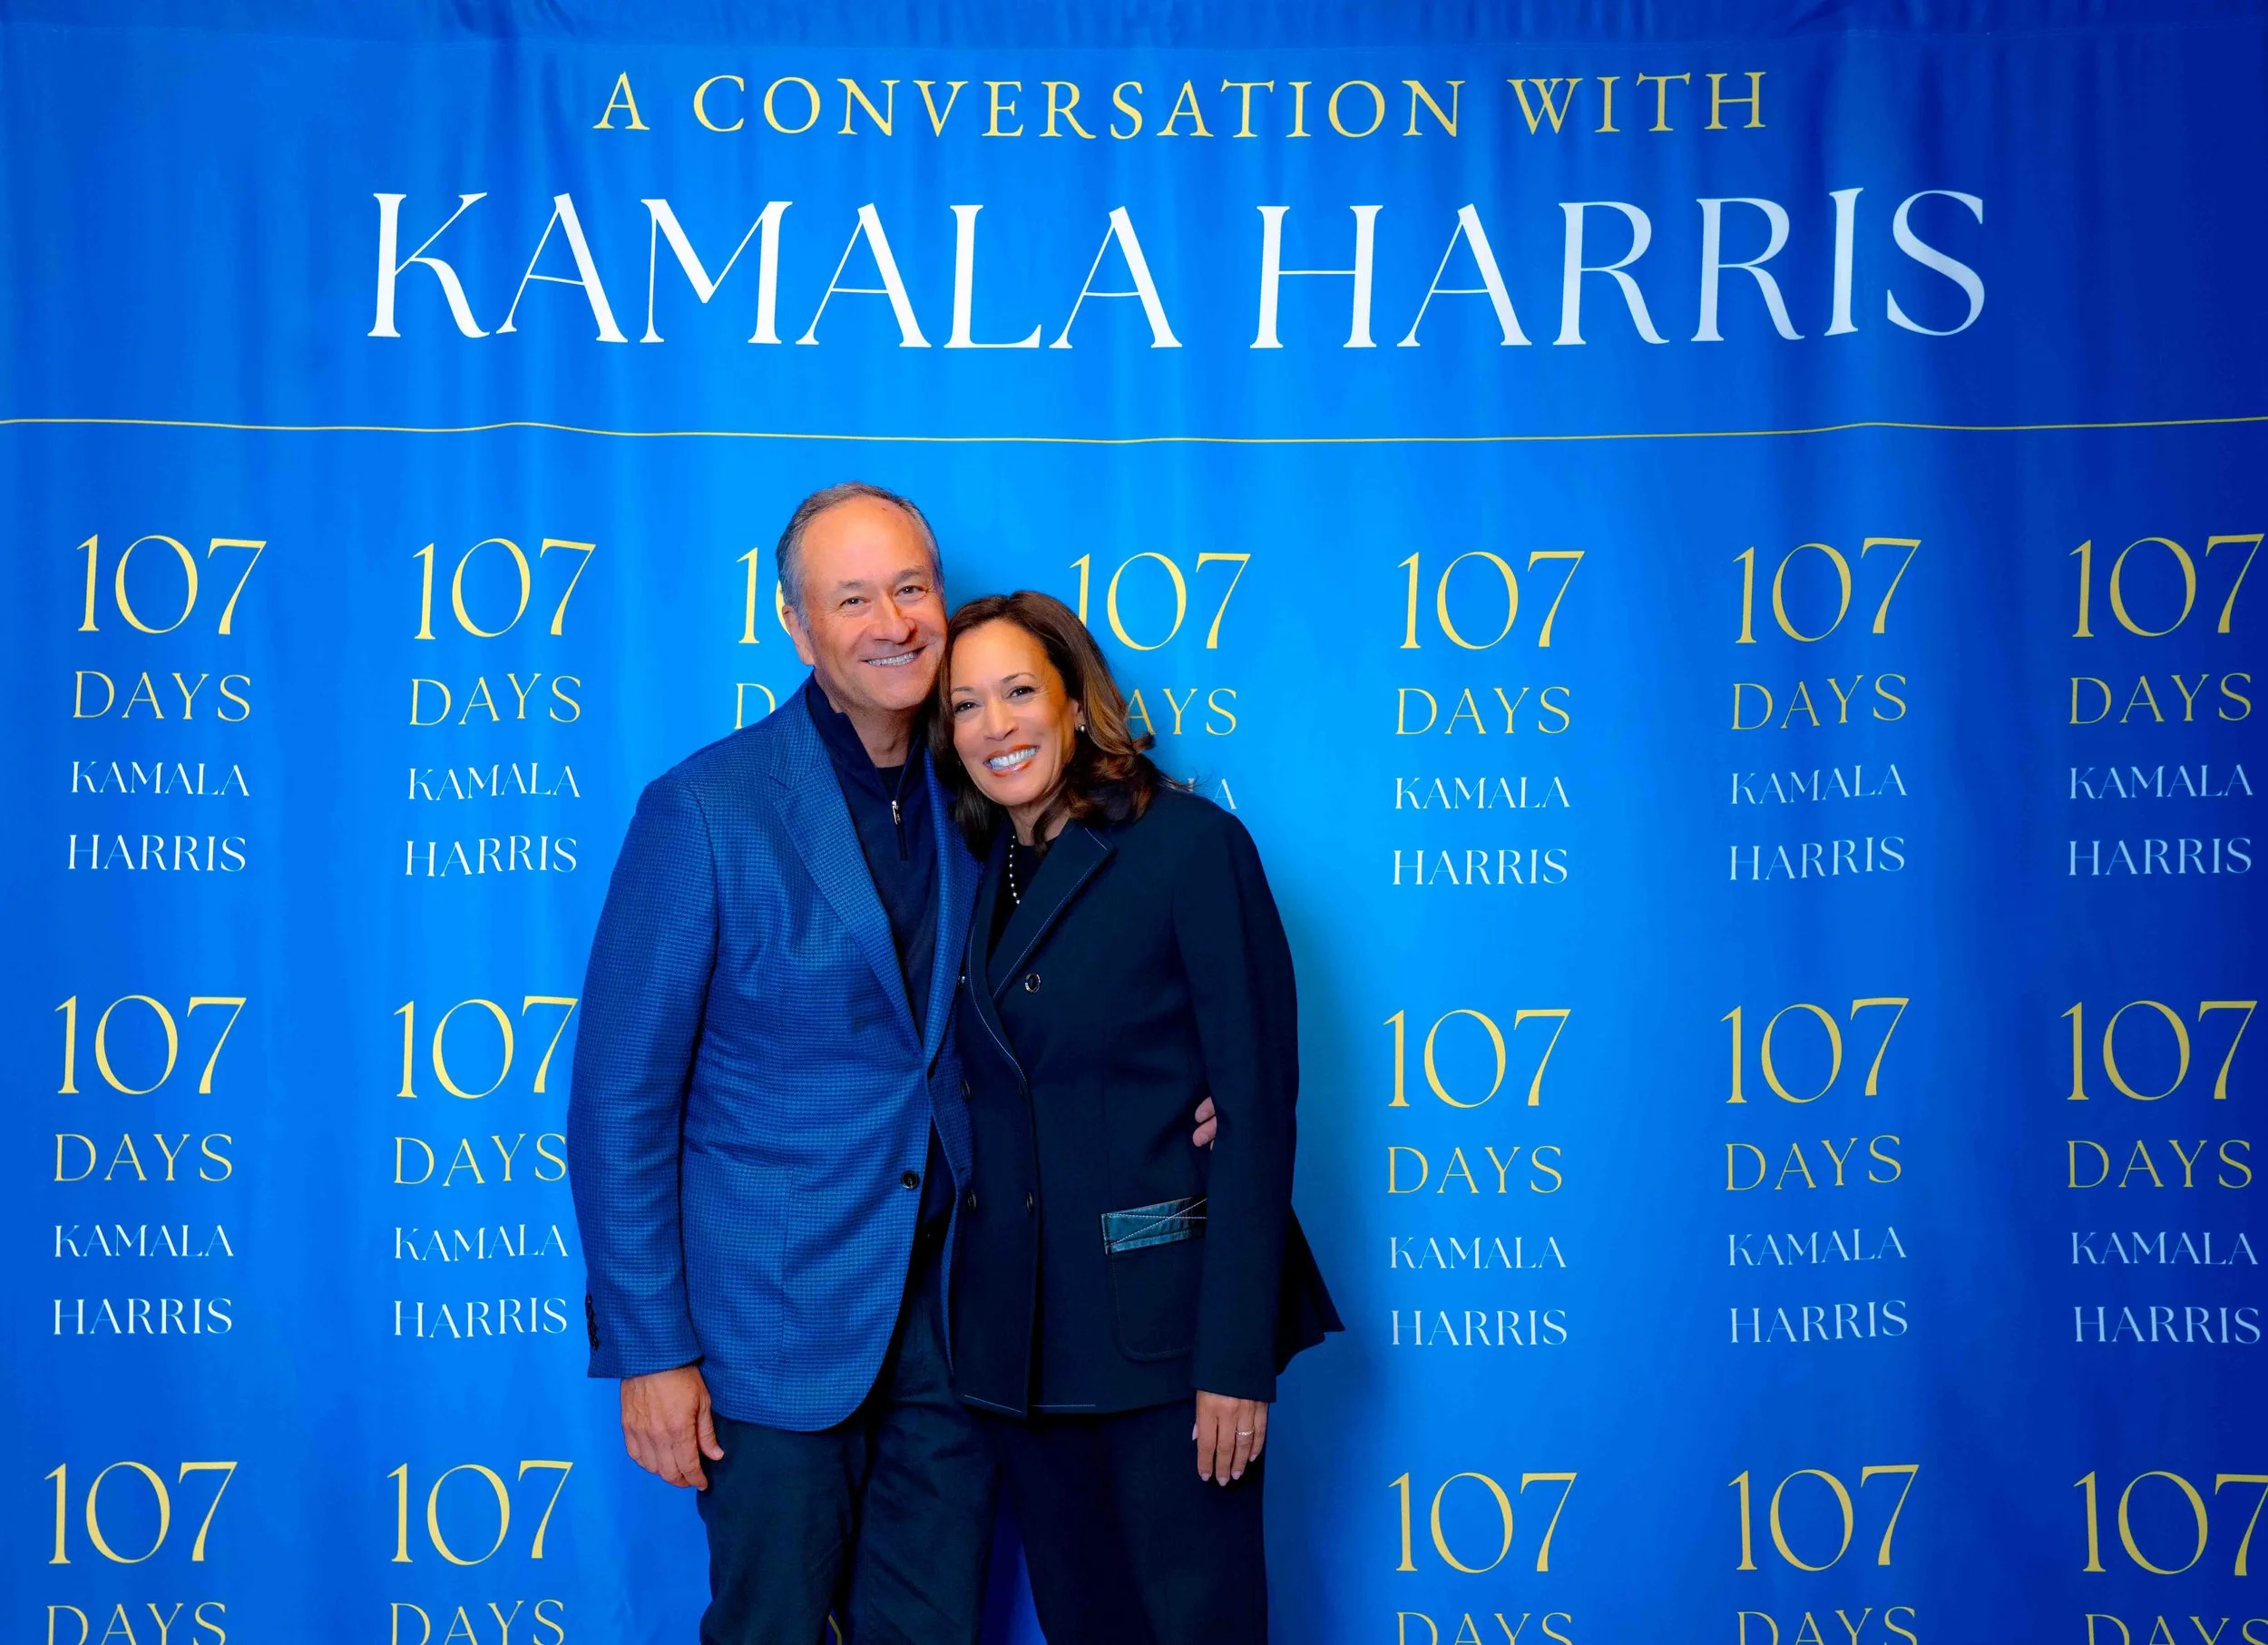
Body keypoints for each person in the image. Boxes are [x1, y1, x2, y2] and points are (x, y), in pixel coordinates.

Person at [566, 482, 992, 1645]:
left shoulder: (986, 789)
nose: (893, 621)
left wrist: (1184, 1094)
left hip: (957, 1324)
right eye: (852, 598)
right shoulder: (705, 810)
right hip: (770, 1331)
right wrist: (652, 1350)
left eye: (911, 588)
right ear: (798, 629)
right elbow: (617, 1104)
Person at [933, 591, 1340, 1645]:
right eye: (966, 705)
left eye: (1019, 691)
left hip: (1169, 1345)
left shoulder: (1190, 848)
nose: (996, 725)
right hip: (1024, 1352)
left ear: (1076, 703)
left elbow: (1253, 1114)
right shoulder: (985, 872)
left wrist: (1234, 1361)